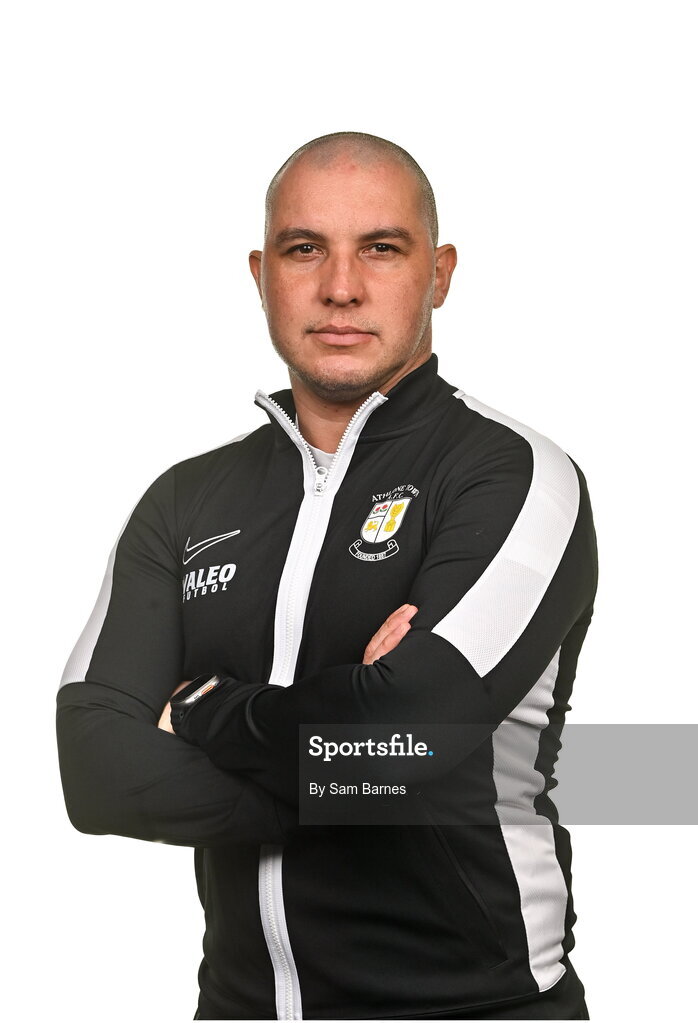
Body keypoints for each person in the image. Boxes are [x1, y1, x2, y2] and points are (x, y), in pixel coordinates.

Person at [56, 131, 597, 1020]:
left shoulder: (514, 477)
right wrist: (364, 767)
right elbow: (96, 771)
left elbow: (406, 740)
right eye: (305, 249)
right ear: (262, 273)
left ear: (440, 273)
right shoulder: (186, 501)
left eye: (381, 248)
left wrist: (199, 711)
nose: (340, 286)